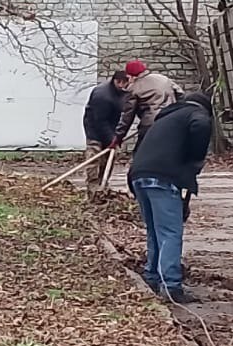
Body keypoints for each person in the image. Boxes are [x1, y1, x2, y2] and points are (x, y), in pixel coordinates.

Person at [127, 91, 213, 303]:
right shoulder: (195, 114)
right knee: (170, 233)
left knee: (156, 231)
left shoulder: (167, 118)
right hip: (161, 179)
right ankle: (171, 286)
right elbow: (201, 125)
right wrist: (195, 159)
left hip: (139, 176)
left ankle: (152, 277)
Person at [81, 70, 132, 196]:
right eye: (118, 82)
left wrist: (115, 136)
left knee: (109, 157)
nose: (121, 85)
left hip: (112, 126)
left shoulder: (125, 93)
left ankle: (103, 183)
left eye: (124, 82)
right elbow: (100, 121)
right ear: (113, 80)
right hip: (94, 127)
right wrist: (111, 139)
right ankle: (92, 185)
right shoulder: (102, 95)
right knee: (95, 155)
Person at [115, 60, 183, 149]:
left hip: (150, 125)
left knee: (141, 154)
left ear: (132, 76)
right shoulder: (162, 78)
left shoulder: (133, 89)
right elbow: (181, 94)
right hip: (172, 121)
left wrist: (118, 137)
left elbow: (128, 116)